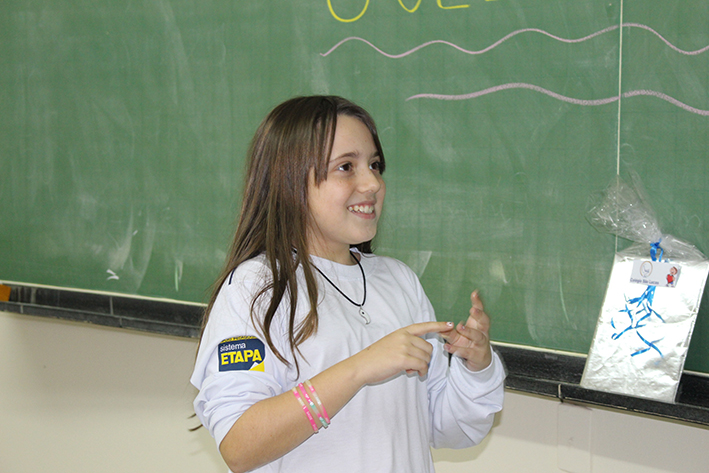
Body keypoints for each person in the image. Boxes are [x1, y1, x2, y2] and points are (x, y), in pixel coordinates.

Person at [191, 95, 505, 473]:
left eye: (374, 165)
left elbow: (443, 426)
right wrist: (359, 369)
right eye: (345, 167)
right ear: (290, 181)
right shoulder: (256, 288)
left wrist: (476, 368)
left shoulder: (398, 281)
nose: (372, 183)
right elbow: (240, 445)